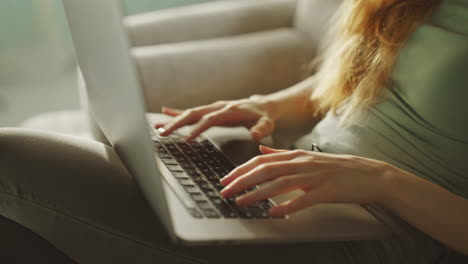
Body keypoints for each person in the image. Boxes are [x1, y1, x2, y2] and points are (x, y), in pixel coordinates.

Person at [0, 0, 467, 263]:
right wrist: (264, 105)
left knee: (10, 159)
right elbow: (361, 82)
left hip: (376, 234)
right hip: (289, 178)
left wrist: (379, 179)